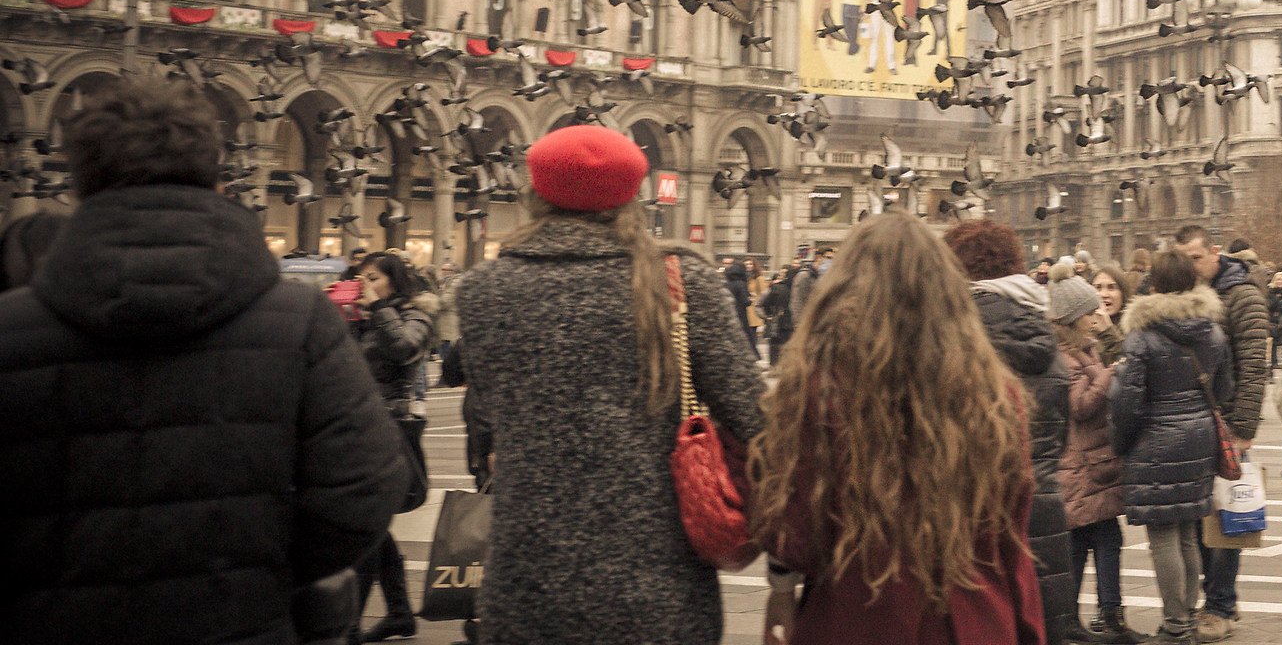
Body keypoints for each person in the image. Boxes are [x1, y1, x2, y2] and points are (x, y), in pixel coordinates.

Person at [0, 76, 410, 645]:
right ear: (215, 174)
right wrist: (268, 574)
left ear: (79, 181)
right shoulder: (299, 321)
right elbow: (366, 485)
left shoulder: (11, 331)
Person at [452, 125, 763, 645]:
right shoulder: (683, 285)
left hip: (527, 581)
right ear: (632, 196)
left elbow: (490, 410)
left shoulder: (483, 291)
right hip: (658, 586)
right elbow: (755, 419)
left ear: (535, 191)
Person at [749, 211, 1044, 644]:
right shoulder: (996, 393)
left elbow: (792, 528)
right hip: (973, 616)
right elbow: (1010, 530)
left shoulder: (821, 387)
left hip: (856, 614)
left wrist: (780, 591)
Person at [947, 221, 1081, 645]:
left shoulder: (952, 333)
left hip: (972, 513)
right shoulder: (1042, 326)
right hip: (1042, 501)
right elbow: (1058, 435)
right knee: (1044, 622)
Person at [1111, 247, 1231, 642]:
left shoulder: (1141, 336)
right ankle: (1188, 616)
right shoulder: (1212, 331)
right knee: (1187, 531)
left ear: (1155, 285)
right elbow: (1225, 388)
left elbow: (1127, 403)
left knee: (1163, 536)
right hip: (1200, 435)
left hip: (1156, 439)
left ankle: (1176, 625)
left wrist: (1121, 444)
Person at [1175, 225, 1271, 641]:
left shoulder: (1242, 295)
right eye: (1184, 260)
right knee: (1199, 518)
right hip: (1193, 420)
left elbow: (1254, 364)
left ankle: (1220, 605)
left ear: (1214, 252)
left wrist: (1244, 427)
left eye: (1196, 258)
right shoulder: (1185, 295)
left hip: (1227, 421)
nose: (1191, 267)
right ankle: (1211, 597)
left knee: (1227, 516)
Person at [350, 250, 440, 640]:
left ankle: (349, 627)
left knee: (368, 528)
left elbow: (405, 349)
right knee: (373, 527)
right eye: (361, 278)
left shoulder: (415, 313)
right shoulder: (367, 320)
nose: (366, 285)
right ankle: (399, 613)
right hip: (359, 429)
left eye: (374, 277)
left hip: (390, 431)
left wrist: (381, 309)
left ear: (394, 281)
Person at [1052, 274, 1140, 645]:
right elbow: (1080, 406)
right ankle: (1085, 619)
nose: (1097, 314)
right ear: (1074, 317)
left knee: (1099, 538)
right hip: (1080, 467)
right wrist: (1109, 375)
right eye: (1089, 310)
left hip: (1093, 463)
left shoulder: (1085, 348)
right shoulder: (1065, 357)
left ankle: (1095, 616)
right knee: (1090, 539)